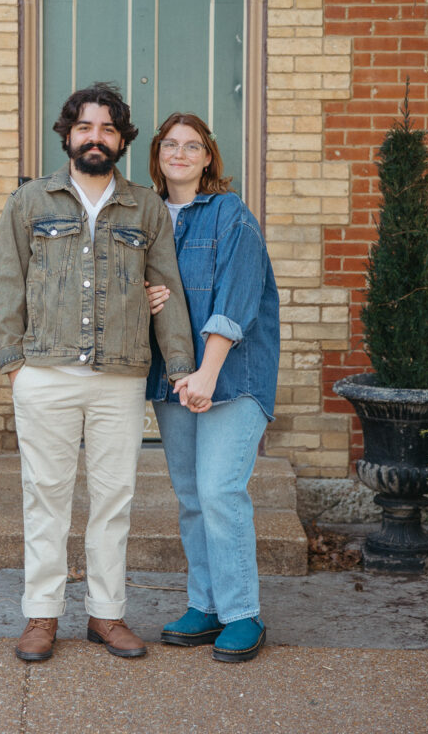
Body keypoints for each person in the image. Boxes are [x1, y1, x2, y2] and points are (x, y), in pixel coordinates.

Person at [0, 83, 194, 662]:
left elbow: (167, 289)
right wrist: (14, 366)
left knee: (113, 499)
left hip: (120, 378)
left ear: (121, 139)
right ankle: (42, 617)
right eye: (84, 128)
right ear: (68, 135)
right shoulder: (30, 201)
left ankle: (106, 616)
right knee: (45, 497)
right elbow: (5, 285)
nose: (95, 138)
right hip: (44, 373)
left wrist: (180, 365)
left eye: (106, 129)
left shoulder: (145, 206)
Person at [145, 112, 280, 663]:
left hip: (232, 377)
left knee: (221, 492)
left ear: (208, 157)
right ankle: (204, 605)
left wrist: (208, 373)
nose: (180, 152)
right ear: (157, 153)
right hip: (172, 376)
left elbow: (237, 297)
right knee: (192, 498)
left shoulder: (231, 213)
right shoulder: (147, 216)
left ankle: (242, 612)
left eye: (192, 145)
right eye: (170, 144)